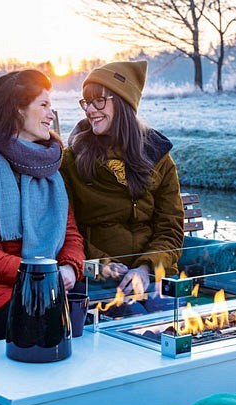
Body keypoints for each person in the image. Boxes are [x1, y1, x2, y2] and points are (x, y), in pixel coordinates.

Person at [0, 69, 85, 338]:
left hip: (50, 283)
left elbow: (69, 233)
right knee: (50, 327)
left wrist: (69, 267)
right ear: (17, 110)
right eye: (43, 105)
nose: (51, 115)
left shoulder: (50, 164)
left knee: (106, 311)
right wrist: (35, 274)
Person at [60, 60, 184, 305]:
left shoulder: (159, 158)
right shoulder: (72, 160)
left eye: (99, 101)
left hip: (152, 278)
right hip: (99, 280)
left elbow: (170, 228)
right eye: (86, 102)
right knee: (135, 321)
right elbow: (65, 231)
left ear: (124, 102)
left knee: (169, 316)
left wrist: (146, 267)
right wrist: (105, 266)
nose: (90, 110)